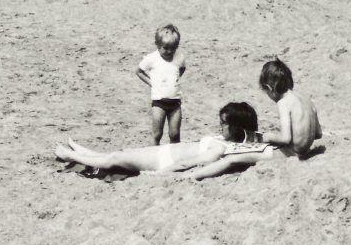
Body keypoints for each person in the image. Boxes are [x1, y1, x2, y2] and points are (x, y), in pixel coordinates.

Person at [54, 102, 278, 180]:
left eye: (224, 123)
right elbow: (259, 137)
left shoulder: (219, 148)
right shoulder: (230, 140)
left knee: (117, 158)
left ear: (236, 127)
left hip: (163, 160)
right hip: (166, 152)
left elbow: (186, 164)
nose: (220, 126)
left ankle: (71, 155)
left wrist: (158, 175)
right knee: (119, 155)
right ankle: (88, 153)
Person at [258, 58, 322, 158]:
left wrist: (269, 137)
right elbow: (318, 134)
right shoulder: (306, 100)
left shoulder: (283, 103)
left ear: (270, 88)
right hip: (306, 151)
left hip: (293, 153)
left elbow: (286, 139)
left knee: (235, 158)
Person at [135, 24, 186, 145]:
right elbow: (138, 71)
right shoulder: (152, 58)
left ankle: (175, 158)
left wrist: (174, 80)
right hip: (159, 103)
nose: (170, 51)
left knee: (175, 134)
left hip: (175, 102)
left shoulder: (179, 57)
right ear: (157, 45)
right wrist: (151, 83)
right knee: (157, 134)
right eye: (166, 48)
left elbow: (182, 68)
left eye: (173, 48)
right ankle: (154, 157)